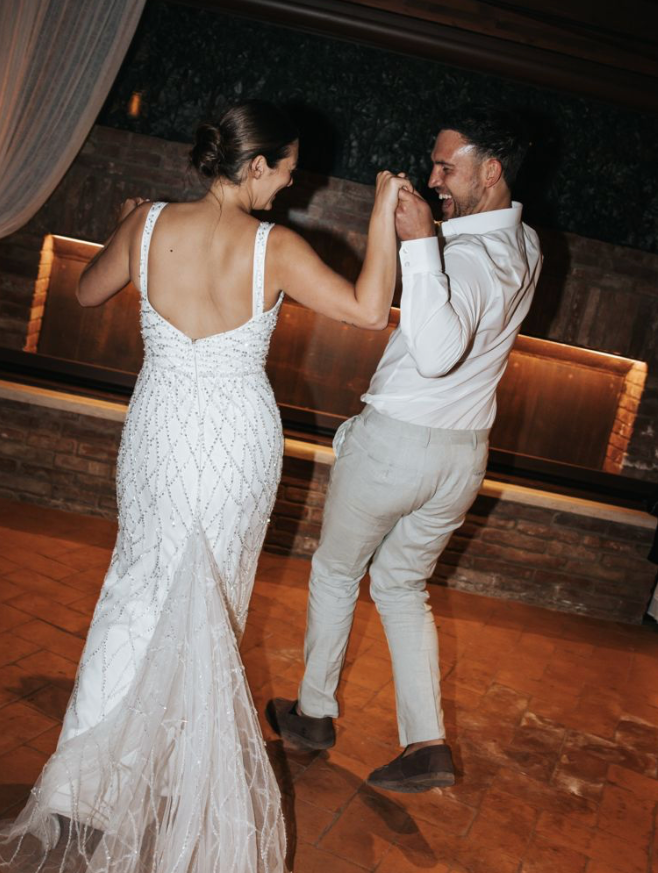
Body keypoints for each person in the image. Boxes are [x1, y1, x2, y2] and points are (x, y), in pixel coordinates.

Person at [0, 100, 409, 872]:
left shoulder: (149, 223)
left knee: (135, 591)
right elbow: (368, 308)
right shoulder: (275, 247)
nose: (288, 187)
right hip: (235, 444)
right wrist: (383, 212)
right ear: (254, 167)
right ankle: (177, 784)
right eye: (285, 171)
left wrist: (125, 226)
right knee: (213, 604)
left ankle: (88, 786)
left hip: (156, 431)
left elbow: (87, 293)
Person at [267, 106, 543, 793]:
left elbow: (439, 350)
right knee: (400, 585)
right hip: (462, 457)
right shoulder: (527, 244)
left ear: (493, 169)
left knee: (336, 572)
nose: (434, 177)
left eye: (449, 165)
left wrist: (420, 242)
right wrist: (430, 236)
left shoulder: (468, 255)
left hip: (397, 445)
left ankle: (313, 715)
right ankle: (425, 743)